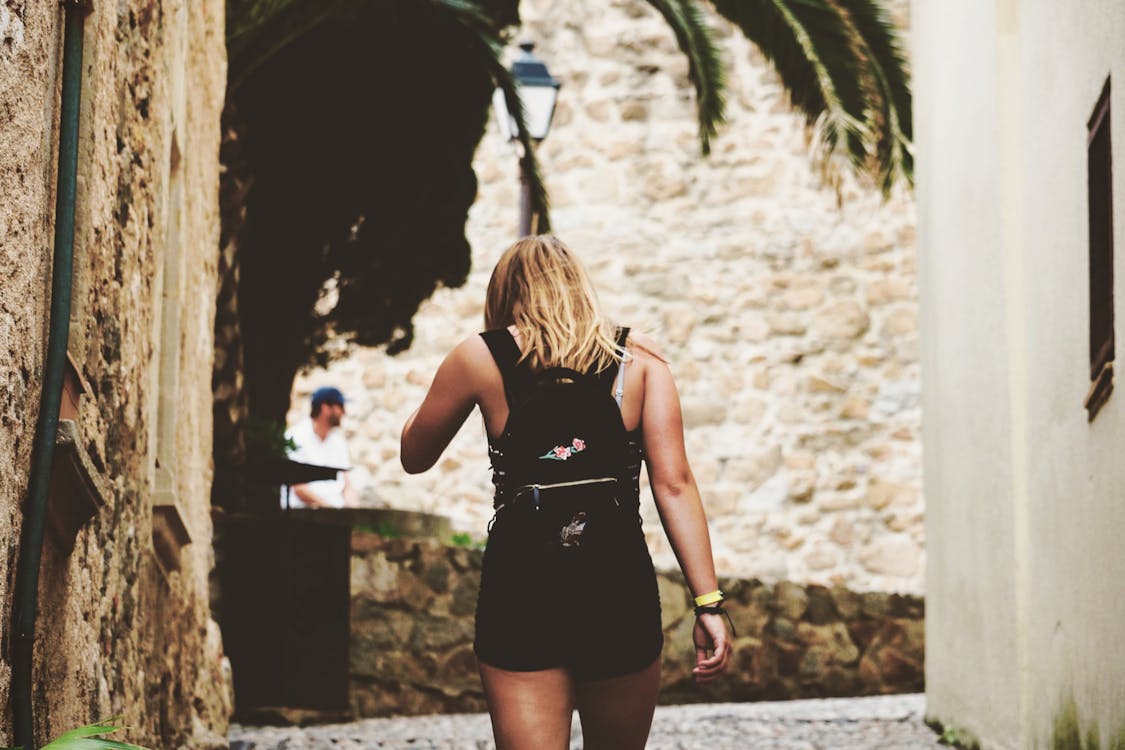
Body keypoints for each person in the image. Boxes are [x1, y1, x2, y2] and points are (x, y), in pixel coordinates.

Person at [400, 235, 731, 750]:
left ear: (506, 293)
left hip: (522, 589)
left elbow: (414, 456)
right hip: (617, 587)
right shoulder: (638, 360)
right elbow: (674, 484)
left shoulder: (478, 357)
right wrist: (708, 603)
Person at [284, 385, 358, 509]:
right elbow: (298, 487)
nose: (344, 412)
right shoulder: (295, 437)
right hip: (304, 514)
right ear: (325, 408)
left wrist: (353, 511)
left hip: (335, 515)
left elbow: (347, 485)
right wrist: (330, 510)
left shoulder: (339, 442)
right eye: (340, 407)